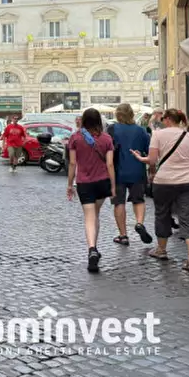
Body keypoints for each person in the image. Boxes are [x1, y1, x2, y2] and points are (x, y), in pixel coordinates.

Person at [132, 109, 189, 272]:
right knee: (188, 218)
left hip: (164, 181)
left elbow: (152, 160)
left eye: (163, 118)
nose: (162, 121)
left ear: (168, 119)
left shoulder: (158, 135)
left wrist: (139, 158)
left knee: (162, 214)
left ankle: (161, 250)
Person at [67, 108, 116, 273]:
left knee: (89, 216)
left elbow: (73, 163)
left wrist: (69, 184)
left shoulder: (75, 138)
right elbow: (110, 164)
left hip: (84, 183)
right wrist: (114, 185)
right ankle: (95, 247)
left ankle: (92, 248)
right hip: (102, 181)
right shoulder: (107, 139)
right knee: (96, 214)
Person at [107, 103, 153, 245]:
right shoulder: (141, 130)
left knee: (118, 203)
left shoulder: (112, 129)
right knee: (138, 200)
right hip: (137, 170)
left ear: (117, 115)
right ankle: (139, 223)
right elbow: (149, 150)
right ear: (132, 114)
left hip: (117, 172)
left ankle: (123, 235)